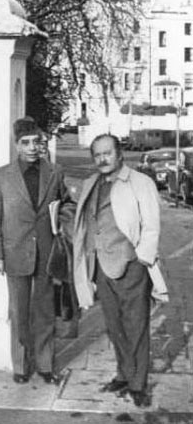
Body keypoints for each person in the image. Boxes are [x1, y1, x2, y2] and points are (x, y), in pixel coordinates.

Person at [73, 134, 161, 407]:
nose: (103, 159)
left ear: (119, 153)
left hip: (132, 266)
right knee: (114, 326)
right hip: (102, 266)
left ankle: (138, 384)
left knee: (136, 327)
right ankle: (124, 374)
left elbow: (151, 225)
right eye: (97, 155)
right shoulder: (91, 183)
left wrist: (142, 259)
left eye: (107, 153)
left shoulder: (140, 182)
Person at [0, 116, 75, 384]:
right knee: (19, 311)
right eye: (25, 142)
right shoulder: (2, 176)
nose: (31, 147)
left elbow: (68, 204)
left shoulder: (54, 172)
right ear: (17, 145)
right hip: (14, 252)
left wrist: (61, 218)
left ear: (41, 143)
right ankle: (21, 366)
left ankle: (45, 364)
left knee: (45, 309)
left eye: (35, 142)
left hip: (47, 251)